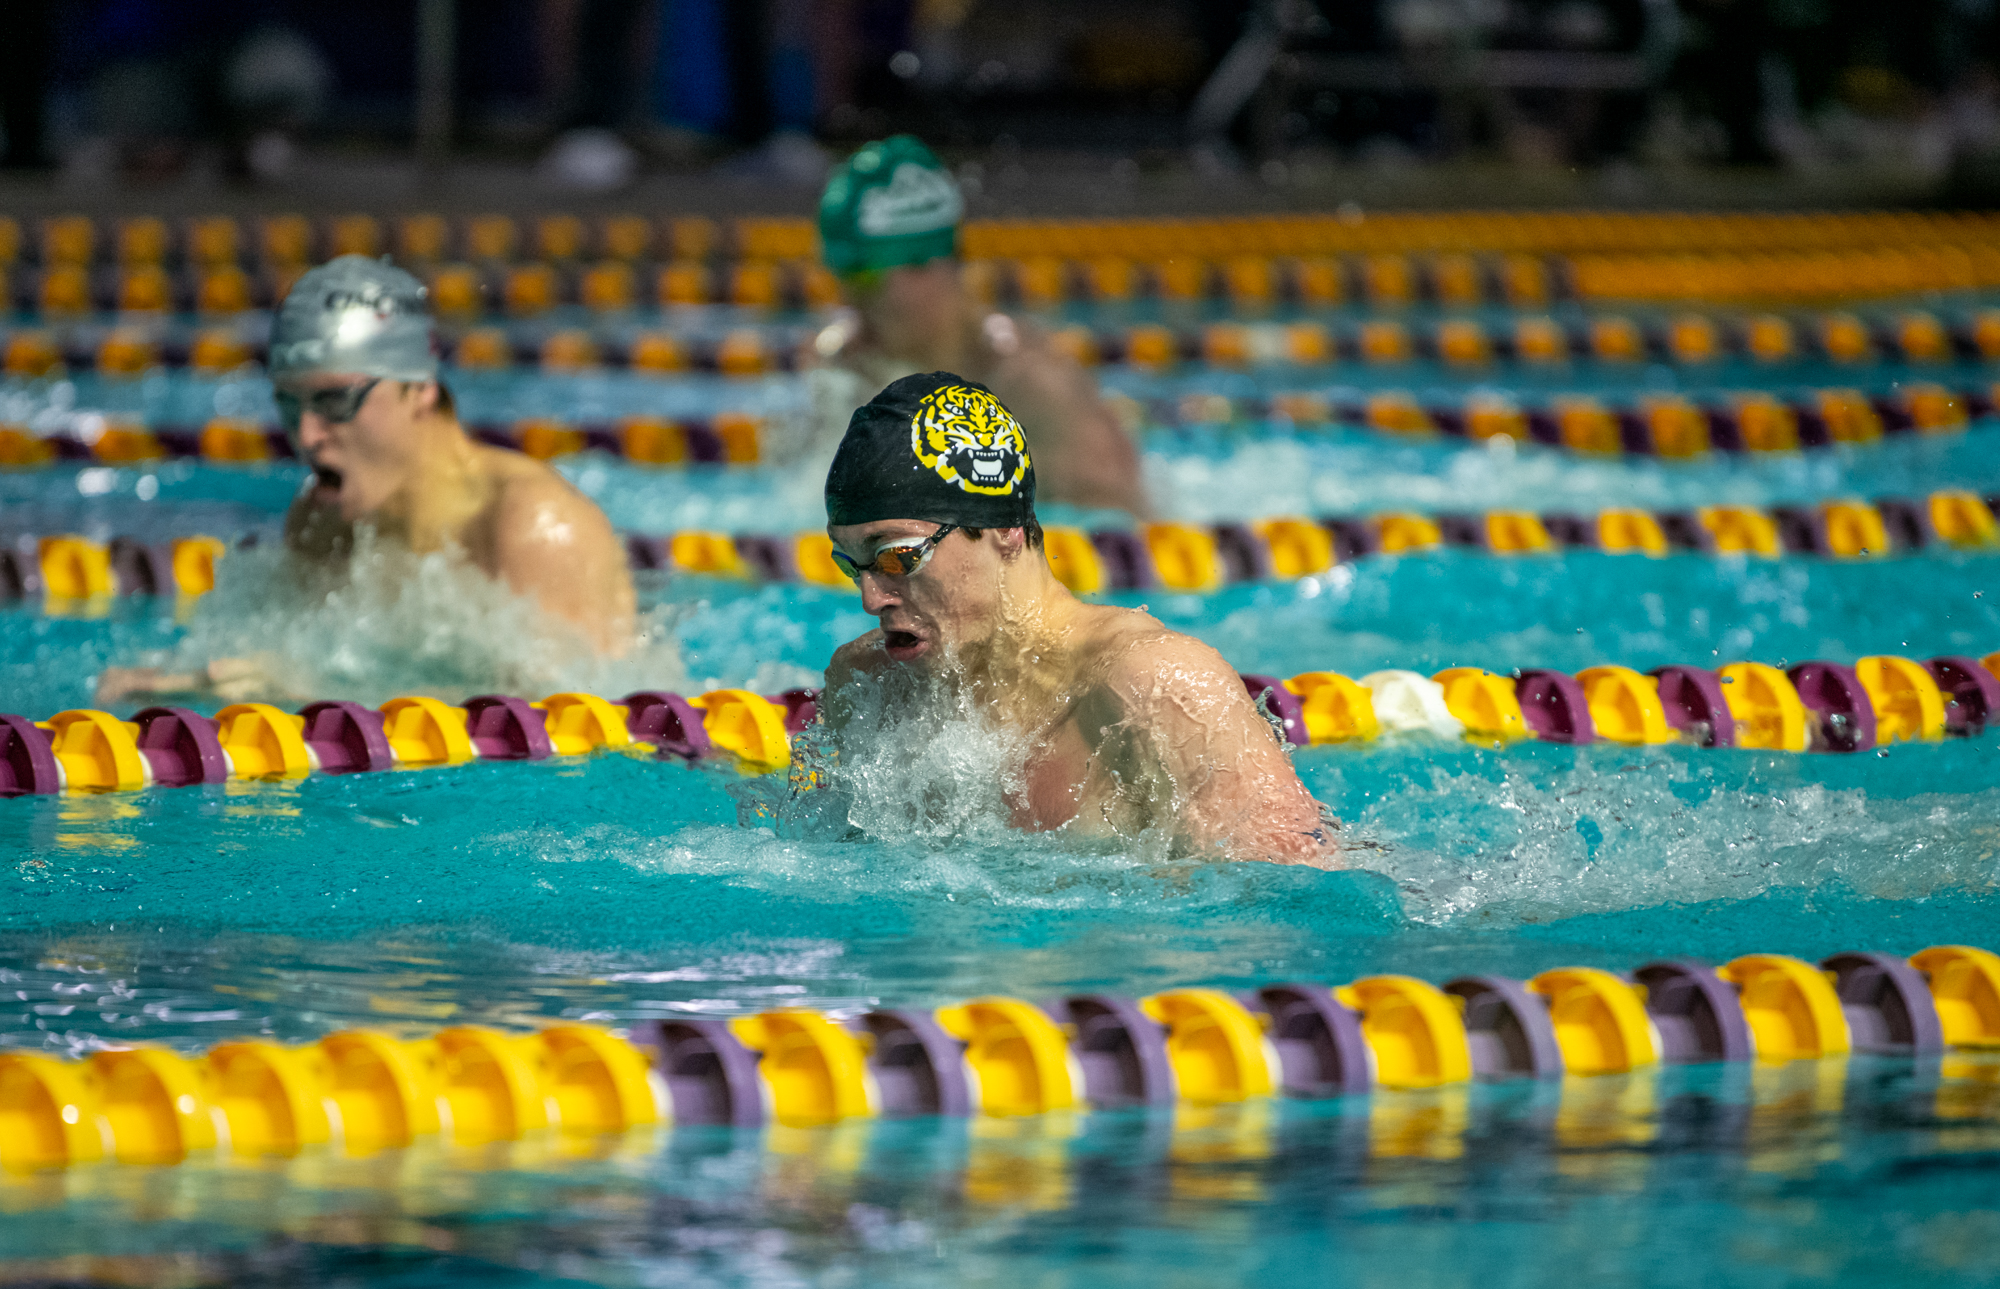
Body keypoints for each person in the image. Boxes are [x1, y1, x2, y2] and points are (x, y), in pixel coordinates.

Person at [817, 371, 1337, 867]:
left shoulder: (1155, 688)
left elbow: (1292, 901)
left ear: (1002, 529)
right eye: (852, 563)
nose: (871, 597)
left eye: (896, 556)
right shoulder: (870, 686)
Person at [96, 255, 634, 703]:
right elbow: (280, 656)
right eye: (289, 402)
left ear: (418, 388)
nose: (306, 436)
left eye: (334, 401)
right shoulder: (321, 516)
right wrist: (189, 683)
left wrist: (319, 692)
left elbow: (564, 731)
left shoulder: (530, 528)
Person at [806, 135, 1148, 518]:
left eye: (866, 280)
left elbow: (1127, 544)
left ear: (929, 267)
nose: (851, 307)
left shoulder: (1033, 390)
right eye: (843, 281)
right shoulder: (849, 367)